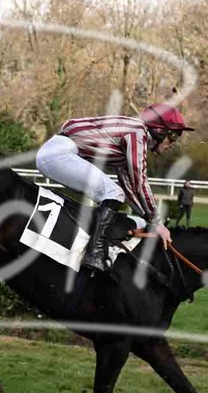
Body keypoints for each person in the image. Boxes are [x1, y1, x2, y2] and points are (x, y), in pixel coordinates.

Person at [35, 103, 191, 270]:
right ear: (159, 131)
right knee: (113, 192)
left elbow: (129, 190)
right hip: (60, 153)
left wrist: (150, 220)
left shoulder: (131, 137)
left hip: (57, 152)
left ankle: (92, 245)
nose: (173, 144)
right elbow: (140, 182)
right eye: (173, 137)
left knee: (115, 193)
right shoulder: (137, 133)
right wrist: (157, 222)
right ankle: (94, 255)